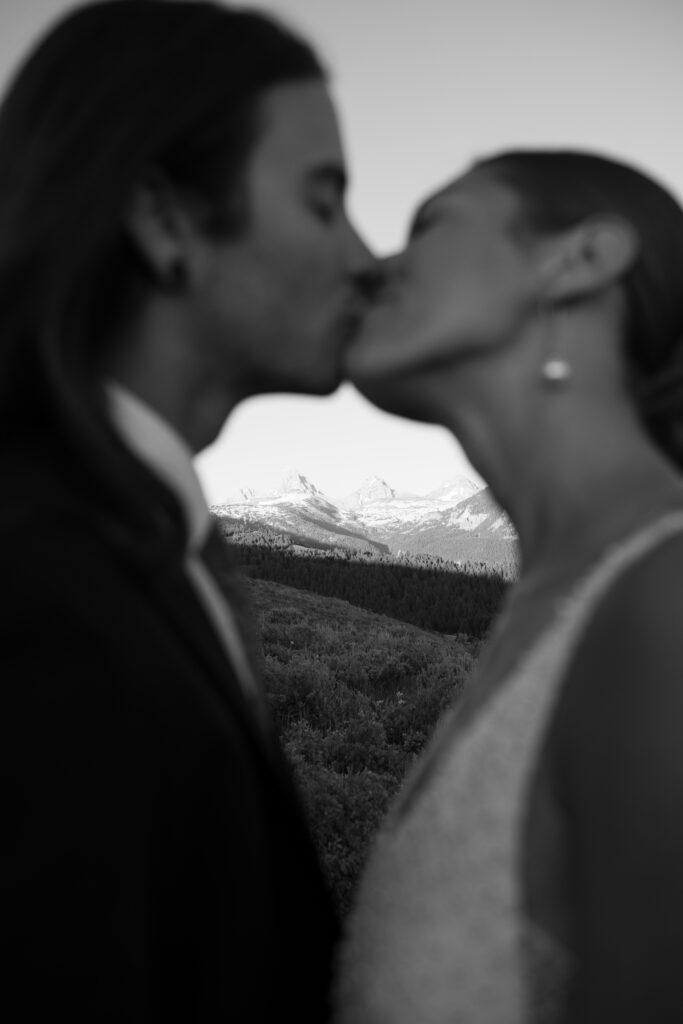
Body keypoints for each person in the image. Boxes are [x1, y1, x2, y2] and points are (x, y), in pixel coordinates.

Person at [0, 2, 377, 1020]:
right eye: (321, 201)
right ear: (165, 220)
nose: (362, 258)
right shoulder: (37, 592)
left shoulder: (133, 537)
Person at [332, 150, 683, 1023]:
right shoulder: (565, 593)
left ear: (581, 261)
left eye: (430, 225)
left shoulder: (662, 599)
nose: (377, 263)